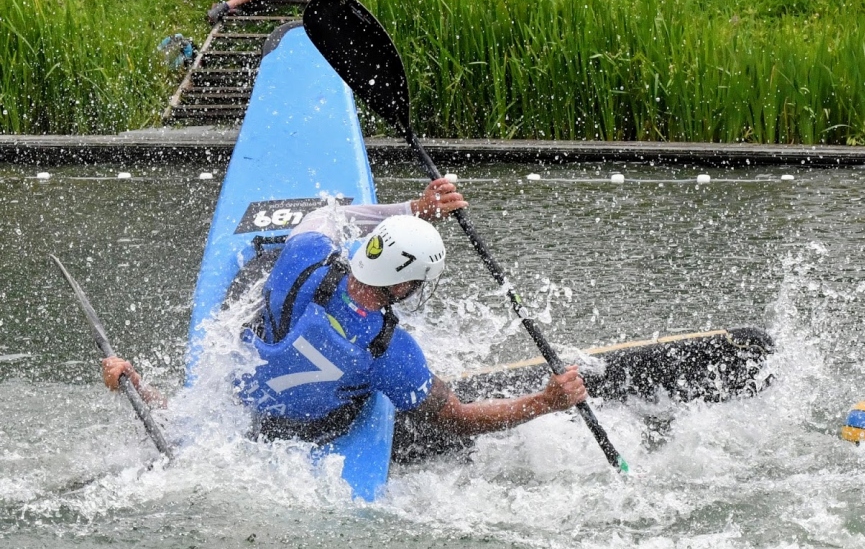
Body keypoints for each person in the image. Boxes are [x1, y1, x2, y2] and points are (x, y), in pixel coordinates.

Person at [101, 178, 588, 458]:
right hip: (307, 434)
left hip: (241, 405)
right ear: (403, 286)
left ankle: (137, 384)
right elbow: (455, 419)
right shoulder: (393, 353)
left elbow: (334, 216)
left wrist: (413, 208)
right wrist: (543, 402)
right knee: (401, 399)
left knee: (253, 343)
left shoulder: (304, 255)